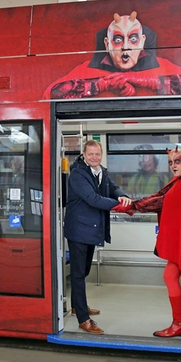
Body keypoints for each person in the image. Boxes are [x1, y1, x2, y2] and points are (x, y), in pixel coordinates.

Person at [113, 147, 181, 337]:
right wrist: (133, 205)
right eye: (170, 162)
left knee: (175, 276)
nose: (173, 166)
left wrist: (133, 206)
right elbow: (159, 195)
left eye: (177, 161)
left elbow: (160, 201)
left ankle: (179, 324)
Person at [43, 11, 181, 99]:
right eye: (118, 39)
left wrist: (150, 82)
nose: (126, 47)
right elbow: (51, 95)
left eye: (132, 39)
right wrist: (101, 85)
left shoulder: (163, 66)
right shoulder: (87, 70)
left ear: (142, 41)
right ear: (106, 44)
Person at [65, 140, 132, 334]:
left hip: (92, 230)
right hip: (78, 230)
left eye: (97, 154)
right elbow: (93, 199)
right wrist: (119, 206)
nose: (94, 157)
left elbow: (113, 187)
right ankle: (83, 319)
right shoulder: (78, 174)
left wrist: (122, 196)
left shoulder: (101, 171)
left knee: (84, 271)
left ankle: (79, 306)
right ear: (84, 154)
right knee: (78, 273)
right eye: (91, 154)